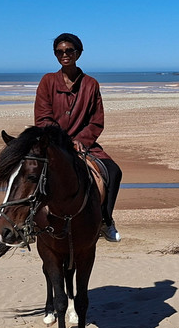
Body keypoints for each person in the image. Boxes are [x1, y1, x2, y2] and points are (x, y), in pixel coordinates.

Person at [34, 33, 123, 242]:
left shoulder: (91, 84)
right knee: (27, 171)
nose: (64, 55)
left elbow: (96, 120)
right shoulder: (47, 81)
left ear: (78, 53)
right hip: (52, 143)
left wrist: (81, 141)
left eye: (69, 51)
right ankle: (25, 223)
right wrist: (63, 142)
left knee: (113, 171)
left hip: (84, 144)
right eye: (59, 52)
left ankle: (106, 220)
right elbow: (43, 118)